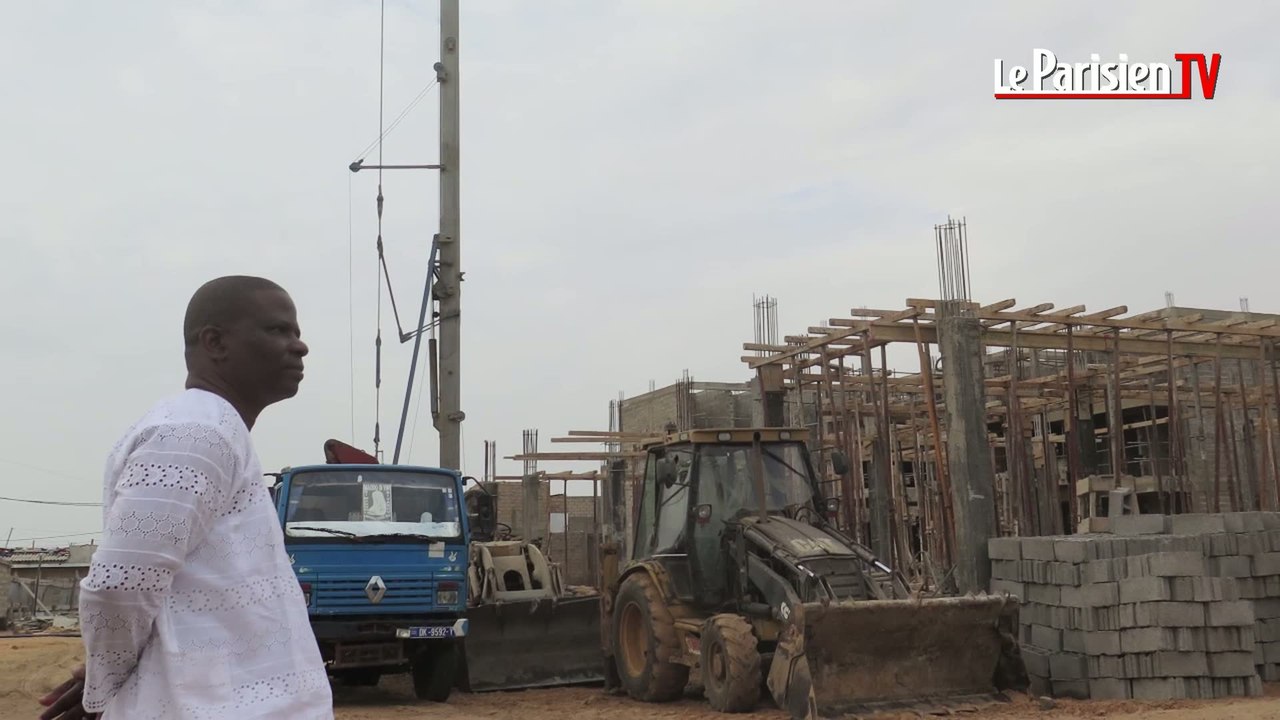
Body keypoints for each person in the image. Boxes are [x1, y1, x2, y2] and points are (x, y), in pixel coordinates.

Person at [40, 276, 334, 719]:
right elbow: (120, 584)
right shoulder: (196, 431)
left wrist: (113, 674)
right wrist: (104, 686)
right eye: (278, 330)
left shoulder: (215, 430)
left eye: (296, 331)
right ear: (215, 342)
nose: (300, 346)